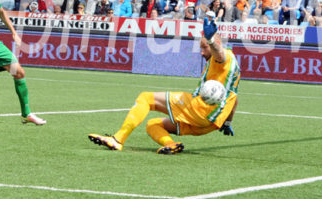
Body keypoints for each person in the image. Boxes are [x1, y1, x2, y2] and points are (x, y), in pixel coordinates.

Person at [88, 16, 238, 154]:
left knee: (145, 98)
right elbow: (234, 99)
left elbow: (219, 54)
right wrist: (227, 122)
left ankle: (117, 139)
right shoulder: (234, 71)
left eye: (204, 47)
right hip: (210, 124)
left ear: (215, 44)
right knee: (153, 124)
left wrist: (211, 40)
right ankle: (171, 144)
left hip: (199, 109)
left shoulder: (223, 58)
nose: (201, 52)